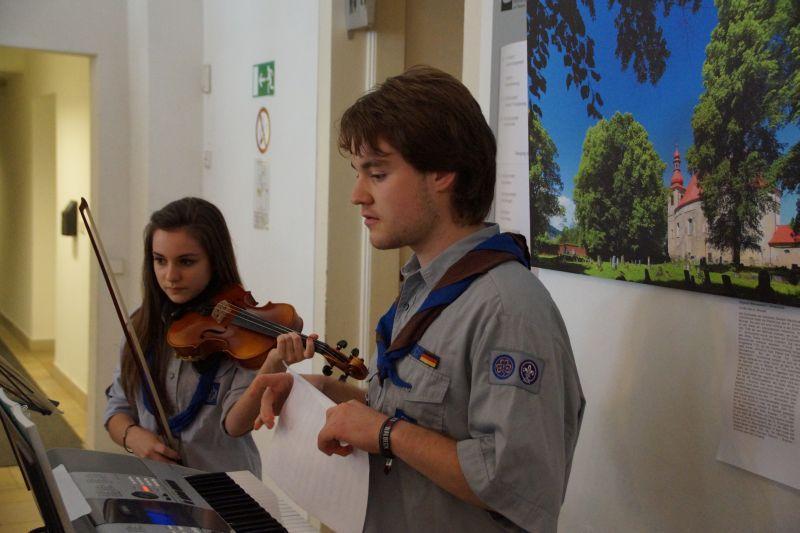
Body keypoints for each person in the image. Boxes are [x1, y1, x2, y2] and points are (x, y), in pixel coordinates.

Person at [254, 66, 585, 532]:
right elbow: (433, 417)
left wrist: (385, 433)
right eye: (359, 173)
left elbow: (515, 483)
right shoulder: (423, 288)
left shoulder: (507, 308)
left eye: (379, 173)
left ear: (443, 172)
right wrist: (331, 396)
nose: (357, 195)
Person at [104, 197, 314, 477]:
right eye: (160, 261)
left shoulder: (241, 336)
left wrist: (273, 362)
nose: (170, 276)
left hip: (227, 487)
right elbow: (116, 409)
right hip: (155, 482)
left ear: (214, 261)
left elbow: (236, 425)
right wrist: (133, 437)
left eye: (186, 262)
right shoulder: (140, 326)